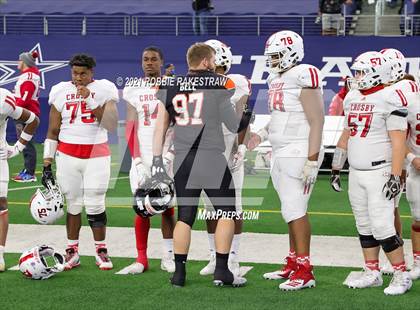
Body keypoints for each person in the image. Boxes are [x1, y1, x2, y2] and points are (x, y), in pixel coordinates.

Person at [152, 43, 251, 287]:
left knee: (185, 217)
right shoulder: (218, 85)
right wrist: (247, 115)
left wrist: (156, 159)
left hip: (182, 158)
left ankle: (179, 274)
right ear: (207, 61)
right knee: (226, 211)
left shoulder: (171, 84)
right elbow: (232, 124)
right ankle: (222, 270)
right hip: (211, 157)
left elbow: (161, 126)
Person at [247, 30, 325, 291]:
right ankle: (293, 262)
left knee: (295, 208)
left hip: (299, 150)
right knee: (288, 209)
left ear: (292, 52)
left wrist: (312, 160)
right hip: (281, 150)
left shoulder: (304, 73)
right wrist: (261, 134)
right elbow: (280, 115)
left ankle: (305, 269)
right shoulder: (276, 78)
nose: (272, 60)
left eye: (277, 55)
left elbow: (317, 120)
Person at [332, 51, 412, 295]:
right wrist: (337, 166)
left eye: (362, 72)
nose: (357, 76)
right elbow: (347, 134)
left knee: (382, 226)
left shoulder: (391, 97)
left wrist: (396, 175)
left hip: (380, 170)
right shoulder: (352, 96)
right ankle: (372, 272)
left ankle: (401, 274)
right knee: (364, 225)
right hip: (356, 171)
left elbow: (398, 142)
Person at [42, 54, 119, 271]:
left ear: (91, 73)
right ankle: (72, 251)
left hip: (97, 155)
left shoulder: (104, 89)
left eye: (83, 73)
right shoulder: (60, 90)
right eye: (75, 73)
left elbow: (112, 125)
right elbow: (53, 130)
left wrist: (90, 100)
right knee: (73, 203)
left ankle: (100, 250)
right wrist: (47, 162)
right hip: (67, 155)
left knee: (95, 203)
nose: (78, 77)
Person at [118, 46, 176, 275]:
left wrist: (171, 154)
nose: (149, 62)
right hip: (142, 155)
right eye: (145, 59)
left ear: (161, 62)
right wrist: (137, 160)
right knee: (142, 206)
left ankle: (168, 255)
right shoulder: (133, 88)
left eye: (153, 59)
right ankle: (141, 258)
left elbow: (180, 123)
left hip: (167, 154)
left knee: (168, 206)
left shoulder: (172, 86)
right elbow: (131, 126)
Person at [199, 39, 251, 277]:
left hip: (228, 150)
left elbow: (243, 116)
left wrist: (241, 147)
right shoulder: (196, 82)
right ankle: (214, 255)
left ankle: (233, 257)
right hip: (206, 150)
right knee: (210, 208)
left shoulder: (236, 82)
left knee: (233, 208)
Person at [0, 89, 39, 271]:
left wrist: (17, 148)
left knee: (1, 204)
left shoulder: (4, 99)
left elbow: (32, 120)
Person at [12, 50, 41, 182]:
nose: (18, 62)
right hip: (23, 112)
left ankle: (29, 173)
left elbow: (25, 98)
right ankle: (27, 170)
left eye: (19, 60)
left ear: (24, 62)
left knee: (26, 143)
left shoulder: (28, 77)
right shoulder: (28, 75)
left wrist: (14, 108)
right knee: (24, 142)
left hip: (25, 113)